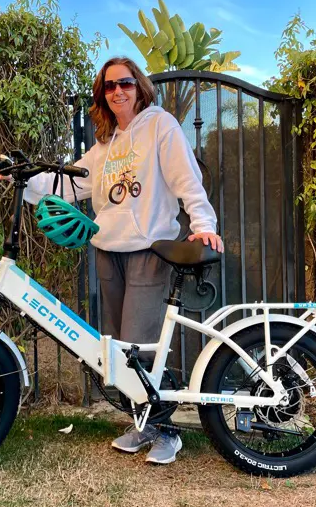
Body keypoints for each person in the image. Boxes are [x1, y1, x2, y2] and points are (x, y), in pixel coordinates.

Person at [21, 57, 223, 464]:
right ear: (103, 96)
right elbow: (68, 181)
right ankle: (143, 424)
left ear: (139, 87)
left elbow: (186, 177)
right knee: (116, 348)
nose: (118, 92)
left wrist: (202, 222)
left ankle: (166, 431)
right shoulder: (104, 147)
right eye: (109, 87)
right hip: (108, 252)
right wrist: (22, 178)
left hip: (149, 249)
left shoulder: (159, 125)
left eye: (125, 83)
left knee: (139, 345)